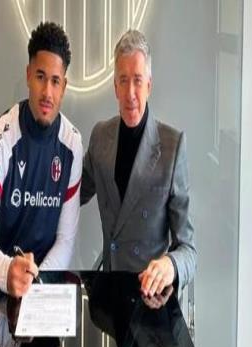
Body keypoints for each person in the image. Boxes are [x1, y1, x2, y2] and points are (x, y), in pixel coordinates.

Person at [81, 30, 196, 308]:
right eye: (123, 80)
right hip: (109, 298)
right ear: (115, 87)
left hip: (152, 301)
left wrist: (170, 265)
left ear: (149, 85)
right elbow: (71, 194)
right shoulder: (100, 137)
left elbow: (189, 251)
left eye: (138, 80)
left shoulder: (172, 146)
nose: (131, 93)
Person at [0, 22, 83, 297]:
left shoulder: (72, 144)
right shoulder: (0, 137)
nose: (47, 93)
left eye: (55, 81)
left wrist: (36, 282)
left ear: (64, 86)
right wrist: (7, 271)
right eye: (41, 77)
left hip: (42, 288)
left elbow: (65, 239)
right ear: (28, 75)